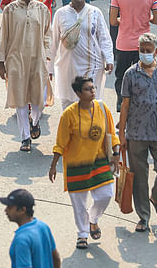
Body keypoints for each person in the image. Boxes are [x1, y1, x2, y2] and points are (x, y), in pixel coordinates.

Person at [117, 33, 157, 232]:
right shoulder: (130, 74)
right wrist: (121, 134)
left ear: (155, 51)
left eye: (149, 51)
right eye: (142, 50)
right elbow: (125, 105)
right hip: (136, 133)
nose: (145, 54)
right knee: (139, 177)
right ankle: (143, 217)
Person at [49, 76, 119, 250]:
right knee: (78, 204)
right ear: (79, 93)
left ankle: (93, 220)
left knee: (106, 195)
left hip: (100, 160)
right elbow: (61, 141)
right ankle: (82, 234)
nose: (93, 91)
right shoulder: (69, 114)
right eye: (88, 89)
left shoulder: (102, 108)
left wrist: (116, 154)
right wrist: (53, 165)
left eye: (93, 88)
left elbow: (112, 133)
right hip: (76, 165)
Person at [0, 0, 51, 152]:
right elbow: (3, 36)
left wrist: (47, 57)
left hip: (38, 58)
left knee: (39, 99)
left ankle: (34, 121)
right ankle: (25, 138)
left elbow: (47, 35)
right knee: (20, 100)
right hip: (16, 59)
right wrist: (1, 62)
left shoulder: (43, 9)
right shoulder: (10, 10)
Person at [50, 0, 114, 110]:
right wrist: (49, 68)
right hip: (68, 67)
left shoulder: (95, 13)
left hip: (91, 67)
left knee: (90, 105)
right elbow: (53, 42)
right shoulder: (61, 14)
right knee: (68, 106)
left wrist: (109, 59)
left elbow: (104, 38)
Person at [110, 0, 157, 110]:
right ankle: (141, 107)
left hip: (124, 44)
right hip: (144, 45)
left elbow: (113, 21)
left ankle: (122, 106)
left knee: (122, 78)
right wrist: (146, 18)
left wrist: (124, 19)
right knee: (144, 76)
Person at [0, 189, 61, 268]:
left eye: (9, 207)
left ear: (22, 210)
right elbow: (56, 258)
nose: (6, 210)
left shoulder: (22, 239)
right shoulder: (43, 226)